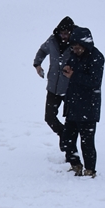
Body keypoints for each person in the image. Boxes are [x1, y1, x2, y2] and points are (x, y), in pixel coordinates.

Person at [61, 25, 104, 177]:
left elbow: (94, 81)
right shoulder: (73, 55)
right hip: (73, 104)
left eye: (79, 48)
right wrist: (66, 69)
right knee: (67, 140)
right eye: (74, 48)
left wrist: (73, 75)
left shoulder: (97, 57)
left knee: (87, 142)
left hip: (88, 106)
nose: (76, 50)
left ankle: (90, 169)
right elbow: (70, 71)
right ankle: (76, 165)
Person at [33, 16, 74, 153]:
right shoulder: (52, 40)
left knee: (71, 120)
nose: (64, 36)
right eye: (62, 33)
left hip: (70, 89)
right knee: (49, 117)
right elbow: (42, 50)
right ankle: (63, 134)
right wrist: (38, 64)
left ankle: (69, 148)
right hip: (53, 87)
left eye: (67, 33)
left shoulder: (76, 44)